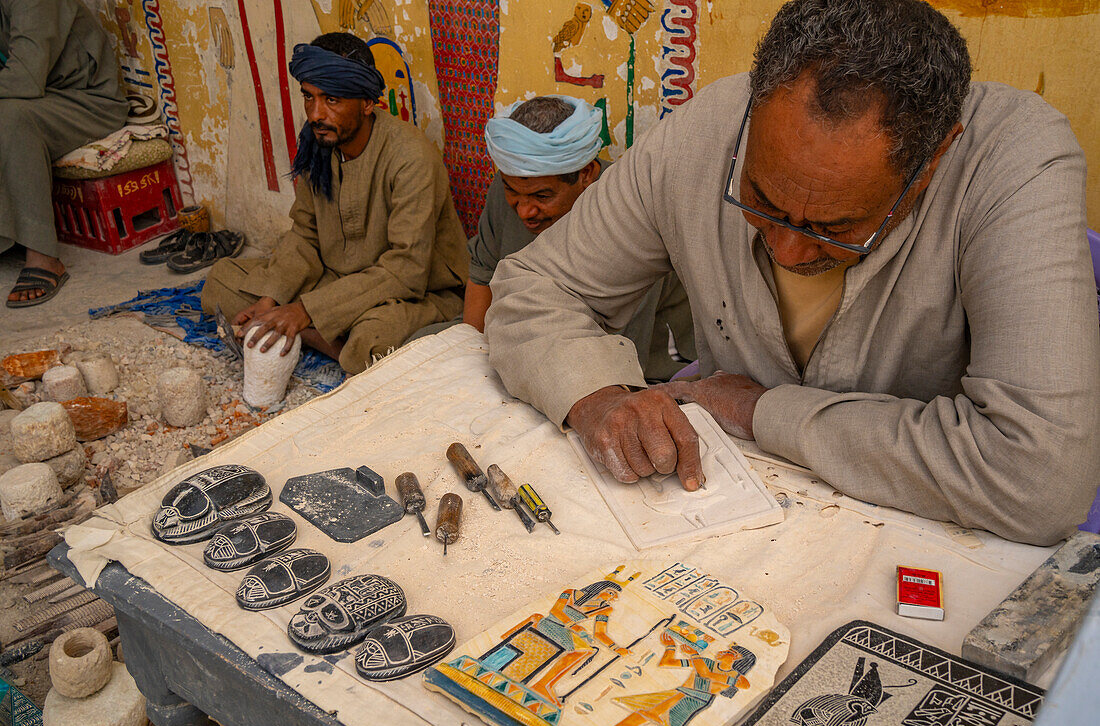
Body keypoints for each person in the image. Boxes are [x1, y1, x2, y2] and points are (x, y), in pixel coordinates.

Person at [485, 0, 1100, 545]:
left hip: (925, 534)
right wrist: (594, 398)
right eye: (761, 201)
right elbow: (536, 287)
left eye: (834, 227)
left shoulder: (1014, 161)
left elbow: (1040, 476)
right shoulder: (707, 130)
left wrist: (765, 412)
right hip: (728, 518)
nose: (787, 251)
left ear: (935, 159)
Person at [201, 32, 467, 374]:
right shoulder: (320, 142)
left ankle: (313, 335)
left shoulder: (410, 158)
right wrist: (272, 297)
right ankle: (320, 334)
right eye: (309, 98)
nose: (316, 114)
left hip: (412, 291)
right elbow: (305, 234)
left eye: (332, 100)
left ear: (368, 103)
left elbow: (406, 270)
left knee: (371, 343)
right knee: (221, 281)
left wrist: (304, 311)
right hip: (334, 280)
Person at [464, 95, 695, 381]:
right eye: (513, 191)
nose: (525, 210)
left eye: (542, 196)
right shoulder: (508, 189)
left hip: (630, 361)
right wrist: (470, 364)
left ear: (585, 173)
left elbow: (622, 350)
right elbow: (482, 277)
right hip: (517, 339)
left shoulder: (630, 211)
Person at [1, 0, 128, 307]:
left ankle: (43, 256)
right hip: (42, 95)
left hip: (87, 101)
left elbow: (24, 80)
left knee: (10, 118)